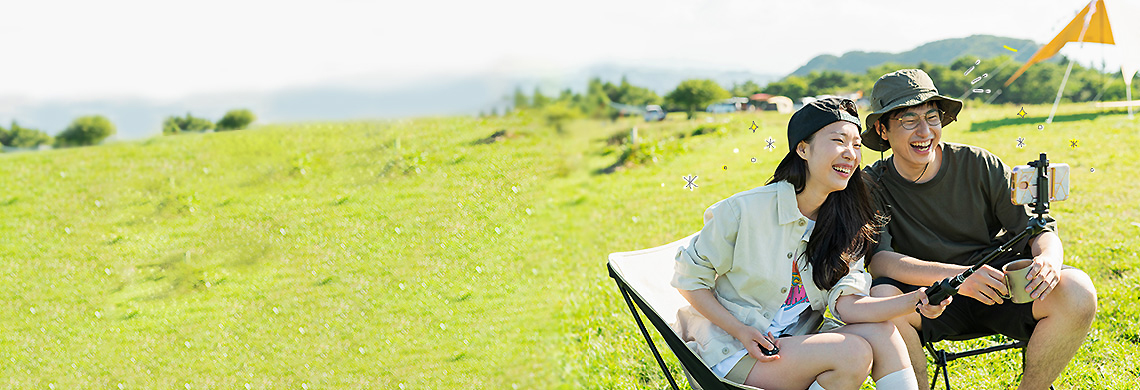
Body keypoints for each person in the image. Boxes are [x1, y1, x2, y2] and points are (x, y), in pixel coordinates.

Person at [672, 97, 951, 390]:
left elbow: (849, 305)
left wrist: (913, 300)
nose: (851, 154)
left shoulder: (847, 222)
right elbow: (689, 280)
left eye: (857, 145)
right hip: (732, 348)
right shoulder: (743, 211)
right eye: (839, 140)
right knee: (852, 353)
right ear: (803, 148)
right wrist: (740, 331)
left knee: (882, 332)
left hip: (793, 343)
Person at [860, 69, 1098, 389]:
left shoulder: (978, 163)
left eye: (932, 116)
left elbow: (1037, 227)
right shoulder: (870, 184)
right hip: (928, 297)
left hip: (996, 287)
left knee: (1077, 290)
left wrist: (1049, 259)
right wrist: (959, 278)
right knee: (882, 299)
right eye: (907, 120)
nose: (924, 131)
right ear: (882, 129)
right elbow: (882, 261)